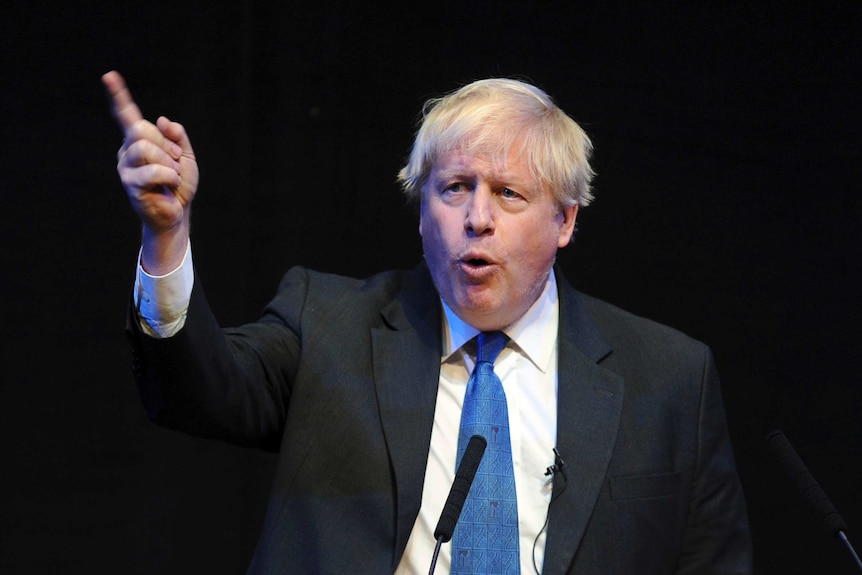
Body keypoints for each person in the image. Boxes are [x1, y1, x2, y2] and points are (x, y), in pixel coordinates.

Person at [104, 70, 752, 574]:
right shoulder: (330, 326)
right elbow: (197, 389)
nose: (477, 218)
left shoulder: (668, 377)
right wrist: (167, 237)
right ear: (421, 213)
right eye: (454, 188)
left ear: (566, 220)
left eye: (508, 193)